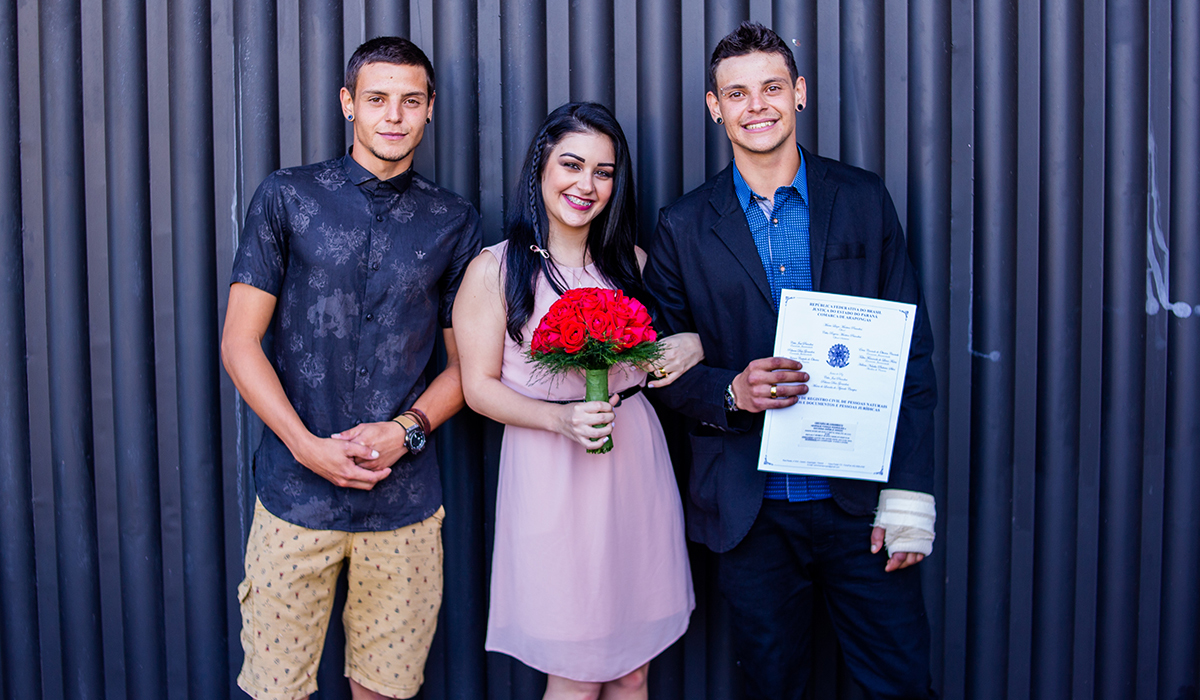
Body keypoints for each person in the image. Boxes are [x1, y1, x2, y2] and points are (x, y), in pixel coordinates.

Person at [643, 22, 939, 700]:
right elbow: (662, 371)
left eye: (772, 87)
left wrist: (909, 498)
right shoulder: (683, 225)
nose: (757, 106)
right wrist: (731, 393)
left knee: (900, 685)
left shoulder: (862, 199)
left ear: (799, 93)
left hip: (862, 506)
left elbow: (911, 355)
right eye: (737, 93)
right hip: (753, 515)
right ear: (715, 107)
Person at [220, 37, 481, 700]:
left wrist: (406, 430)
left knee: (385, 691)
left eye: (410, 101)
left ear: (430, 109)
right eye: (377, 99)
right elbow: (240, 343)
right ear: (348, 103)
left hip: (403, 504)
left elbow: (467, 367)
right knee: (275, 690)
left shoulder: (453, 220)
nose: (393, 115)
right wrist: (305, 446)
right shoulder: (288, 196)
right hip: (293, 497)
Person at [453, 102, 699, 700]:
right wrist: (559, 419)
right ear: (541, 166)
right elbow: (477, 388)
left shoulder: (634, 265)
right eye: (571, 164)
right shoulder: (495, 270)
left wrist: (690, 346)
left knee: (633, 671)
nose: (586, 185)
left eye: (603, 172)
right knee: (577, 674)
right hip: (553, 472)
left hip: (634, 462)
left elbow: (656, 362)